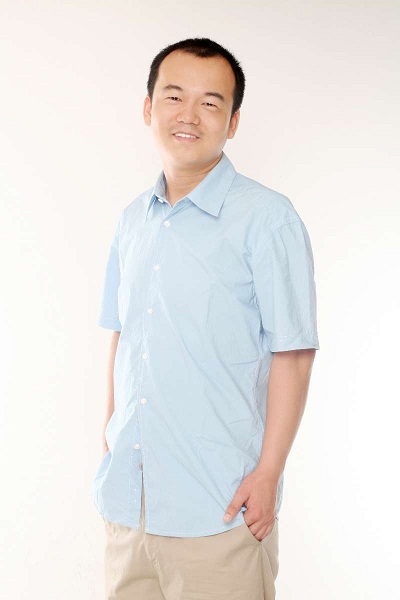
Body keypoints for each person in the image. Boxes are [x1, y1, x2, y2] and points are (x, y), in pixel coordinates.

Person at [92, 37, 320, 600]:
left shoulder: (267, 219)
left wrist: (268, 474)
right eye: (174, 96)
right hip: (129, 510)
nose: (189, 115)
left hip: (222, 511)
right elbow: (123, 337)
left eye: (210, 102)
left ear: (233, 121)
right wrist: (110, 439)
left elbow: (293, 353)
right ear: (148, 107)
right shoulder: (132, 220)